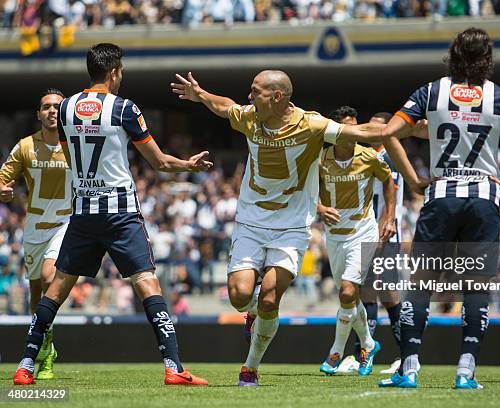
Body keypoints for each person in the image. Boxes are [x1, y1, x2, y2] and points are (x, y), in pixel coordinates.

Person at [13, 43, 212, 386]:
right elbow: (160, 162)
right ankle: (173, 366)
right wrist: (188, 165)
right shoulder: (124, 108)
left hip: (84, 211)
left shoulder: (66, 109)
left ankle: (26, 365)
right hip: (120, 211)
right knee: (147, 282)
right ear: (114, 71)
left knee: (56, 290)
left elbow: (69, 158)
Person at [171, 69, 385, 386]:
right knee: (239, 296)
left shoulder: (311, 124)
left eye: (256, 91)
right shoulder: (249, 117)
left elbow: (363, 133)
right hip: (251, 222)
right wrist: (200, 94)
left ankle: (250, 368)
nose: (249, 96)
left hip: (291, 227)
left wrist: (403, 126)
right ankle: (252, 311)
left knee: (272, 299)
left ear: (277, 96)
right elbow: (224, 105)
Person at [379, 27, 500, 389]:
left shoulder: (430, 91)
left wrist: (411, 178)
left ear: (453, 54)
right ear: (488, 57)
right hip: (484, 197)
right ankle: (465, 372)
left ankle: (408, 369)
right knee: (476, 286)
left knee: (423, 283)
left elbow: (388, 133)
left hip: (441, 194)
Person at [317, 106, 395, 376]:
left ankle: (336, 351)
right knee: (349, 298)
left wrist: (389, 217)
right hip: (335, 236)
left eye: (356, 127)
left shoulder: (368, 156)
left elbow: (389, 182)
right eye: (348, 129)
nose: (355, 133)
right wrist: (318, 208)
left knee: (348, 292)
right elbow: (303, 190)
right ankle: (368, 344)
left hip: (363, 232)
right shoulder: (320, 159)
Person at [0, 88, 70, 380]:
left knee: (48, 276)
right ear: (38, 114)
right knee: (35, 294)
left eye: (57, 106)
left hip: (67, 222)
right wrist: (3, 190)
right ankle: (46, 348)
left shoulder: (77, 144)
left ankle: (44, 351)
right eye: (46, 107)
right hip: (35, 226)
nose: (52, 111)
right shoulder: (26, 146)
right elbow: (4, 177)